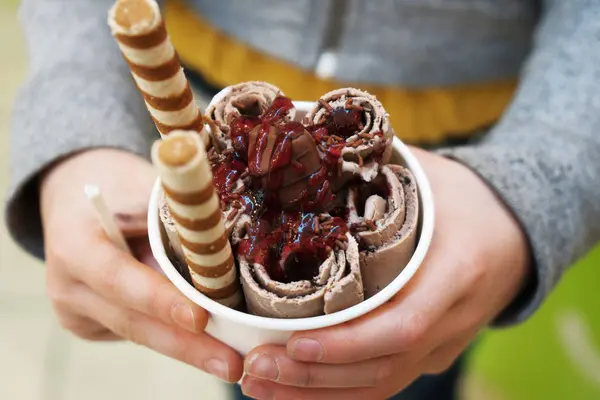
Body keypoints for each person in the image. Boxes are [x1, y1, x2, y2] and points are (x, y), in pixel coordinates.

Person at [5, 0, 600, 399]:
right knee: (246, 374)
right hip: (202, 98)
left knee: (417, 365)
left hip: (466, 168)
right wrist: (77, 119)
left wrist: (539, 170)